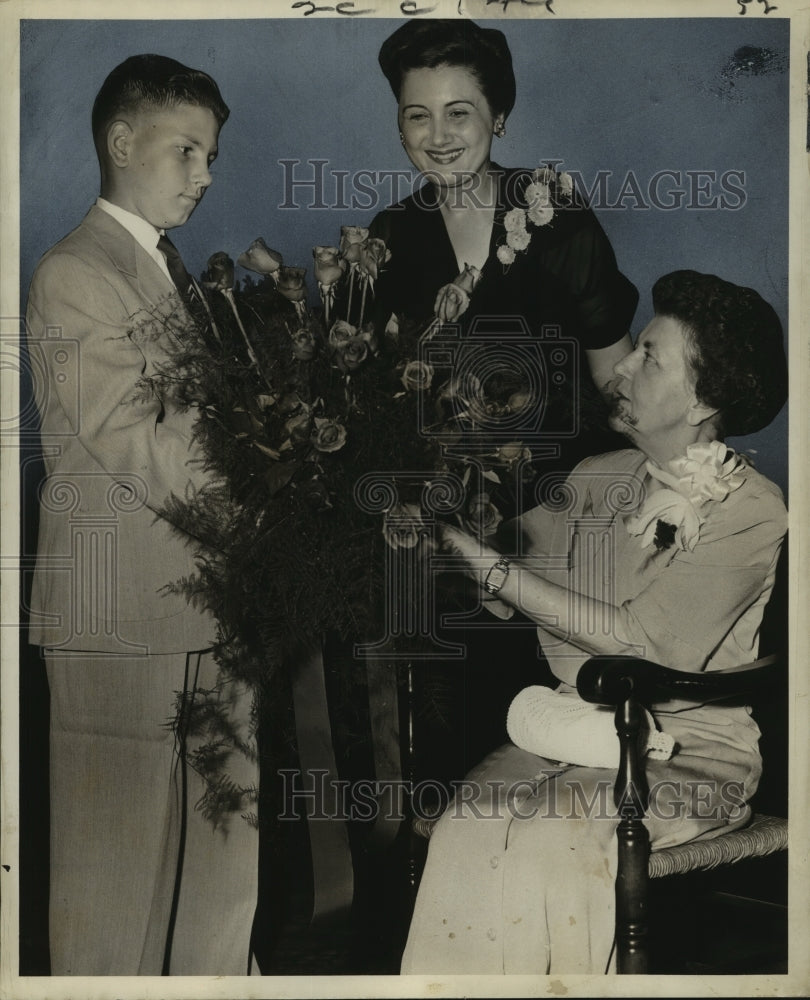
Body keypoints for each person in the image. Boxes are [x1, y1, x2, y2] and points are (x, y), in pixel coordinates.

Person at [399, 269, 788, 974]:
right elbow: (503, 570)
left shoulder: (751, 510)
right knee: (463, 826)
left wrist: (486, 565)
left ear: (702, 399)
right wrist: (437, 520)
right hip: (568, 733)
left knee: (555, 837)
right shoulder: (600, 476)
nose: (623, 366)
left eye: (649, 355)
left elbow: (642, 644)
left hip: (689, 755)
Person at [26, 54, 259, 976]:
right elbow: (137, 440)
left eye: (211, 155)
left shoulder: (168, 272)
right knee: (115, 880)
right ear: (122, 144)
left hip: (214, 601)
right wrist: (279, 472)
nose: (205, 174)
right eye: (186, 151)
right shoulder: (73, 272)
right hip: (118, 616)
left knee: (222, 866)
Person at [366, 17, 640, 786]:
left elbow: (620, 390)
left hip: (562, 537)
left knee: (558, 756)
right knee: (451, 761)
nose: (439, 134)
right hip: (443, 547)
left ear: (500, 117)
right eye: (417, 114)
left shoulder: (558, 220)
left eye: (460, 111)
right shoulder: (389, 240)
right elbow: (373, 416)